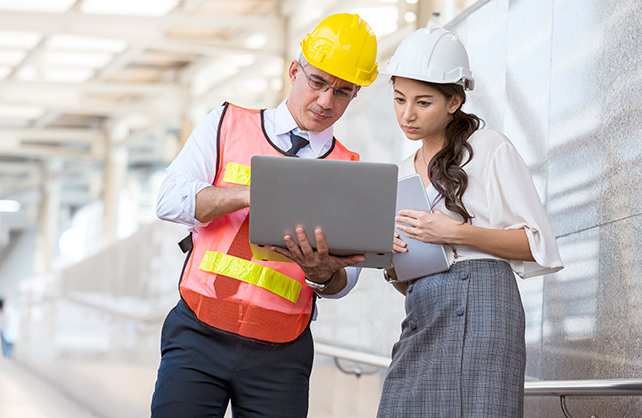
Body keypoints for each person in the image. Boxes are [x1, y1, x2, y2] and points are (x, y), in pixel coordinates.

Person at [151, 13, 378, 417]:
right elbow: (169, 199)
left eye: (343, 92)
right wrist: (249, 194)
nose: (326, 101)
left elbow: (347, 280)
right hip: (199, 330)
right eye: (318, 82)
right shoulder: (226, 124)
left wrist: (321, 273)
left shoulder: (348, 168)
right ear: (295, 71)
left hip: (281, 352)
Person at [376, 27, 564, 417]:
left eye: (423, 102)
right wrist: (393, 262)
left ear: (454, 101)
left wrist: (454, 232)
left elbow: (537, 244)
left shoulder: (489, 147)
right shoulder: (397, 175)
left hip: (483, 304)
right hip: (424, 309)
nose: (407, 114)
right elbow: (407, 281)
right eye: (399, 99)